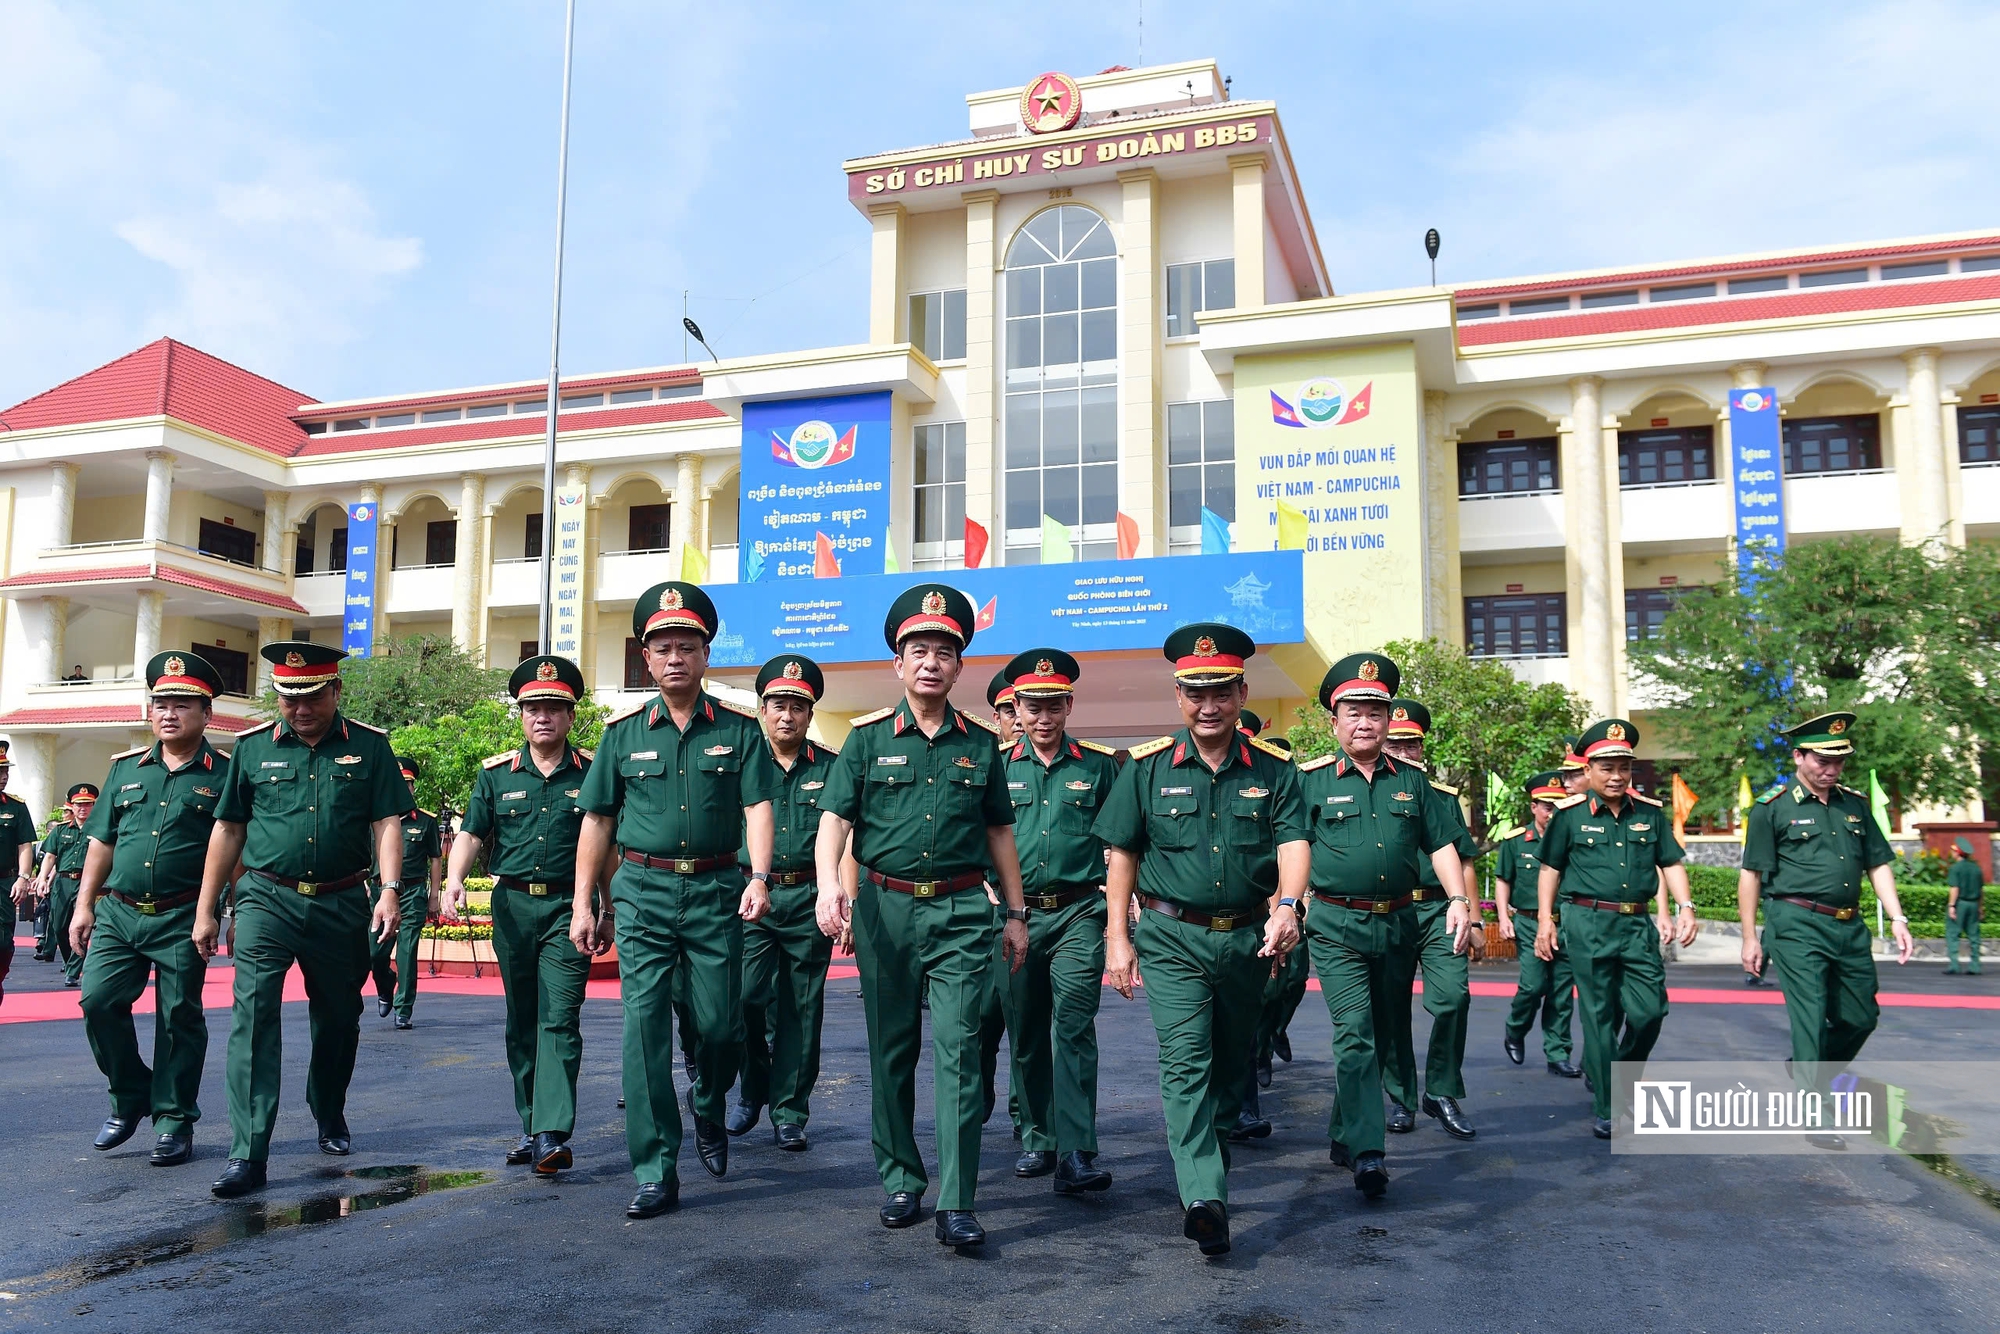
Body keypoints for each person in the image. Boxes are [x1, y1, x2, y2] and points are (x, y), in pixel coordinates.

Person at [812, 583, 1030, 1250]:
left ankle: (956, 1199)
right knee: (892, 1050)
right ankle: (902, 1176)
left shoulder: (982, 744)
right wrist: (829, 886)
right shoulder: (867, 739)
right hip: (883, 910)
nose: (931, 661)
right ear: (899, 664)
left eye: (944, 651)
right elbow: (834, 819)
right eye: (918, 650)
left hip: (964, 909)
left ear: (959, 667)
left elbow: (999, 833)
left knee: (962, 1054)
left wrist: (1015, 912)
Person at [1095, 623, 1306, 1256]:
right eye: (1195, 694)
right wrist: (1117, 938)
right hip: (1170, 936)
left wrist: (1289, 905)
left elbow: (1293, 843)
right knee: (1186, 1061)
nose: (1208, 707)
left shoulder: (1275, 771)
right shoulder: (1146, 767)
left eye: (1221, 693)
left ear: (1242, 693)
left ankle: (1204, 1165)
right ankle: (1204, 1195)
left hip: (1247, 939)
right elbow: (1122, 855)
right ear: (1178, 696)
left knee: (1228, 1061)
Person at [572, 581, 779, 1220]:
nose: (674, 659)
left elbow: (758, 806)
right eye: (662, 648)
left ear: (705, 654)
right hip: (642, 891)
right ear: (646, 656)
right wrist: (586, 903)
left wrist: (760, 876)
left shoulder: (741, 732)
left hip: (718, 887)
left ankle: (709, 1101)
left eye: (686, 647)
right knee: (643, 1030)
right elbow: (598, 822)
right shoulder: (622, 734)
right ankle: (656, 1168)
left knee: (719, 1026)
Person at [197, 641, 411, 1198]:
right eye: (288, 699)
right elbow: (228, 831)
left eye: (312, 697)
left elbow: (388, 821)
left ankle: (328, 1105)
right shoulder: (250, 750)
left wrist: (388, 890)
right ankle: (248, 1151)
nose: (300, 709)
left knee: (339, 1016)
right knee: (253, 1015)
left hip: (341, 901)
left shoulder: (369, 748)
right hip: (267, 898)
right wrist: (208, 908)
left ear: (336, 691)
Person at [1295, 654, 1464, 1199]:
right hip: (1336, 925)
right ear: (1334, 720)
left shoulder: (1413, 783)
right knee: (1355, 1034)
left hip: (1398, 925)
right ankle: (1369, 1152)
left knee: (1386, 1030)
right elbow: (1290, 851)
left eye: (1375, 711)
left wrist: (1460, 899)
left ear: (1388, 720)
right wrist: (1286, 908)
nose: (1364, 722)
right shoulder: (1310, 783)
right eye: (1353, 711)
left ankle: (1345, 1130)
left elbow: (1439, 845)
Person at [70, 651, 228, 1166]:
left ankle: (175, 1120)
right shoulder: (123, 770)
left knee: (179, 1016)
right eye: (160, 703)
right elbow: (102, 842)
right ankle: (131, 1092)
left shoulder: (225, 774)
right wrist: (83, 905)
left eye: (183, 704)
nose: (168, 713)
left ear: (206, 714)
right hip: (118, 911)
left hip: (183, 914)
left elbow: (232, 851)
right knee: (97, 1001)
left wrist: (214, 912)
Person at [441, 654, 597, 1176]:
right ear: (521, 716)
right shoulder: (495, 776)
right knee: (521, 1019)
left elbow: (610, 846)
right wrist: (454, 878)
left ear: (571, 717)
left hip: (567, 908)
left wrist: (610, 906)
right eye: (533, 708)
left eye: (554, 708)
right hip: (511, 906)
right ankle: (531, 1125)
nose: (542, 718)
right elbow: (471, 834)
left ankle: (553, 1131)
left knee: (559, 1016)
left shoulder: (594, 773)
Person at [1740, 714, 1914, 1117]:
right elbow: (1750, 876)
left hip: (1849, 927)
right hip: (1796, 923)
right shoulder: (1772, 809)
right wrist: (1750, 937)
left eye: (1839, 762)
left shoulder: (1854, 805)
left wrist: (1899, 918)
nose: (1832, 770)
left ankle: (1806, 1071)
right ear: (1799, 756)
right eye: (1822, 761)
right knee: (1811, 1015)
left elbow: (1877, 865)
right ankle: (1813, 1107)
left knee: (1860, 1018)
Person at [1535, 718, 1698, 1139]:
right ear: (1587, 771)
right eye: (1606, 768)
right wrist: (1544, 922)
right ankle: (1609, 1105)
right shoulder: (1569, 816)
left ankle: (1616, 1072)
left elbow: (1672, 863)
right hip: (1587, 921)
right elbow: (1550, 869)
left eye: (1623, 767)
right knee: (1599, 1015)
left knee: (1649, 1012)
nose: (1616, 776)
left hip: (1636, 924)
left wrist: (1686, 906)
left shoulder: (1649, 813)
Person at [995, 648, 1119, 1194]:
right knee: (1025, 1031)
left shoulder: (1099, 766)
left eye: (1053, 705)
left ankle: (1076, 1148)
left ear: (1069, 704)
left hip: (1077, 913)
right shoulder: (996, 766)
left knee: (1072, 1026)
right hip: (1012, 916)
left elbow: (1120, 845)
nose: (1043, 717)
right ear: (1016, 707)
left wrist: (1119, 921)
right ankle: (1037, 1135)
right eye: (1032, 706)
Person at [724, 654, 852, 1152]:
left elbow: (847, 841)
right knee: (746, 1000)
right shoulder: (739, 763)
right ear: (762, 709)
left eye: (799, 707)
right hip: (752, 896)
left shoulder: (832, 768)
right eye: (779, 704)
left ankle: (790, 1110)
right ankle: (753, 1089)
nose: (788, 715)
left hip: (808, 898)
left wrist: (846, 902)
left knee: (802, 1009)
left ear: (810, 713)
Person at [1377, 698, 1482, 1140]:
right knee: (1391, 1007)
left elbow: (1466, 861)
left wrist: (1475, 920)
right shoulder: (1369, 792)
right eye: (1395, 744)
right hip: (1392, 911)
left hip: (1442, 909)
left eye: (1412, 745)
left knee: (1453, 998)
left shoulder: (1443, 799)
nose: (1403, 753)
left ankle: (1440, 1089)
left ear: (1423, 748)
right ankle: (1402, 1096)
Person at [1496, 771, 1580, 1077]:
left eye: (1557, 806)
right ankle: (1515, 1028)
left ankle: (1558, 1053)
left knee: (1561, 991)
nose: (1551, 812)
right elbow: (1503, 880)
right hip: (1530, 922)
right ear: (1533, 807)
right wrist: (1504, 917)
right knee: (1533, 986)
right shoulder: (1517, 841)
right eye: (1546, 806)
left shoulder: (1573, 841)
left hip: (1566, 923)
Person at [368, 757, 440, 1030]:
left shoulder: (425, 821)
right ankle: (385, 987)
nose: (404, 788)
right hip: (380, 894)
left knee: (407, 953)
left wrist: (434, 895)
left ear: (413, 787)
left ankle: (404, 1008)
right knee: (375, 953)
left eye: (408, 784)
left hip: (412, 892)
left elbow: (435, 858)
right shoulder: (376, 821)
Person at [37, 782, 99, 987]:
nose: (83, 808)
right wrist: (42, 879)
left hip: (87, 883)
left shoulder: (101, 830)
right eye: (78, 804)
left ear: (94, 805)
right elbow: (50, 856)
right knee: (59, 925)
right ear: (71, 806)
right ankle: (69, 959)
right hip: (62, 882)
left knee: (80, 927)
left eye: (88, 804)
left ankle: (73, 969)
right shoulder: (60, 830)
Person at [1, 740, 47, 1007]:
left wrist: (23, 877)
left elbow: (24, 845)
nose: (4, 777)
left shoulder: (15, 807)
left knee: (3, 942)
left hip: (4, 882)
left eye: (6, 771)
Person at [1946, 836, 1984, 975]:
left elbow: (1954, 888)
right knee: (1974, 936)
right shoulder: (1976, 868)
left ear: (1957, 853)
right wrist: (1980, 907)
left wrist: (1951, 905)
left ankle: (1954, 965)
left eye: (1953, 850)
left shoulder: (1955, 868)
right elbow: (1981, 890)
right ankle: (1975, 966)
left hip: (1960, 904)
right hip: (1974, 904)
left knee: (1953, 934)